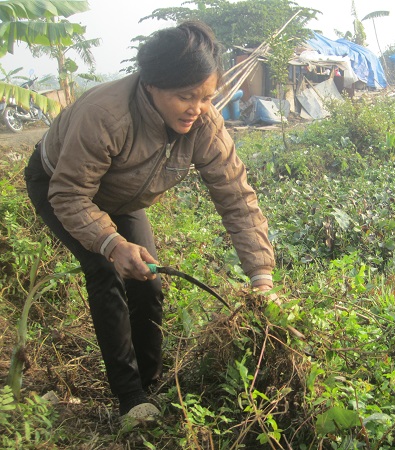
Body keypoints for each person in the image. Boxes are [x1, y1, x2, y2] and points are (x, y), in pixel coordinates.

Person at [24, 21, 275, 424]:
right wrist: (111, 244)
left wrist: (261, 277)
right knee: (106, 272)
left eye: (206, 96)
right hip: (61, 185)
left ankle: (151, 383)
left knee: (149, 283)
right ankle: (130, 399)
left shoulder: (204, 122)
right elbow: (69, 195)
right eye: (185, 96)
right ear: (151, 85)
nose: (197, 107)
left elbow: (236, 197)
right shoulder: (103, 114)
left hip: (121, 196)